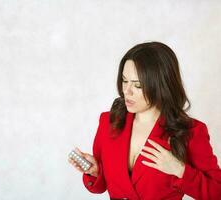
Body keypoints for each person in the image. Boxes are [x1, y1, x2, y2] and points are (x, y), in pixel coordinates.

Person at [68, 41, 221, 199]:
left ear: (161, 85)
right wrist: (96, 172)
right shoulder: (109, 121)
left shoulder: (190, 131)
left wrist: (180, 170)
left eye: (138, 85)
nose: (126, 91)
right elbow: (101, 186)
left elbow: (217, 192)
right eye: (124, 80)